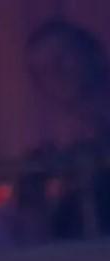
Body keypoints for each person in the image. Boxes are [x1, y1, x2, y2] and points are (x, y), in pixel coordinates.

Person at [20, 17, 110, 240]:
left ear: (94, 55)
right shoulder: (55, 150)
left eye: (61, 58)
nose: (55, 73)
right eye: (42, 71)